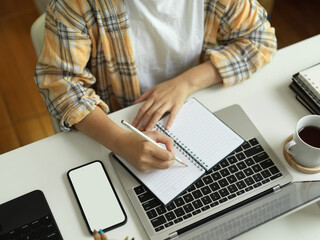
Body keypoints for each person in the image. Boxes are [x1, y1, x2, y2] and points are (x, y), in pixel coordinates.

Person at [35, 0, 276, 172]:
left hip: (197, 112)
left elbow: (260, 40)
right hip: (124, 124)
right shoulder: (75, 5)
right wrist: (119, 142)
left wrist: (186, 82)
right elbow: (60, 85)